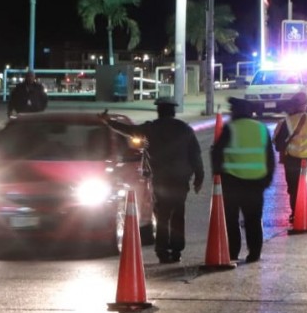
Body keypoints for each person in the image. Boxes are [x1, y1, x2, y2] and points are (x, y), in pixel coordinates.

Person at [100, 97, 204, 264]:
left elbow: (129, 130)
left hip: (161, 180)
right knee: (178, 215)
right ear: (174, 111)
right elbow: (195, 155)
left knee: (162, 216)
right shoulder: (184, 129)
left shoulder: (151, 128)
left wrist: (109, 122)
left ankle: (162, 251)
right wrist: (199, 177)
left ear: (159, 111)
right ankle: (176, 250)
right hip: (180, 180)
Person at [211, 97, 275, 263]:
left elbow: (217, 153)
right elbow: (269, 156)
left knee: (231, 220)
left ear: (236, 112)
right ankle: (254, 253)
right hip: (256, 182)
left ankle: (232, 253)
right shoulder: (261, 128)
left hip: (232, 181)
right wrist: (267, 178)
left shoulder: (230, 128)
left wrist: (217, 176)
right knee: (253, 219)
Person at [272, 91, 307, 223]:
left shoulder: (286, 122)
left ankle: (297, 214)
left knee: (294, 188)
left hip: (293, 161)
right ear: (306, 106)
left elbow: (278, 145)